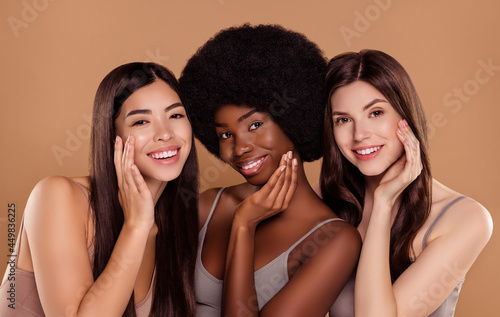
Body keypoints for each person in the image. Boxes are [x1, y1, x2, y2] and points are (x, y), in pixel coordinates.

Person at [179, 24, 361, 317]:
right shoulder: (208, 206)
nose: (239, 148)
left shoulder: (334, 241)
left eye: (255, 125)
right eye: (226, 135)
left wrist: (243, 226)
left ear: (295, 120)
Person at [0, 62, 198, 317]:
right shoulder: (57, 195)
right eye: (140, 121)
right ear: (112, 136)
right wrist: (136, 226)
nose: (165, 133)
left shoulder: (174, 223)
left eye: (175, 115)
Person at [319, 50, 493, 317]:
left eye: (375, 112)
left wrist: (383, 203)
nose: (360, 134)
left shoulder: (465, 217)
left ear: (406, 117)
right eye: (343, 120)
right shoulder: (325, 204)